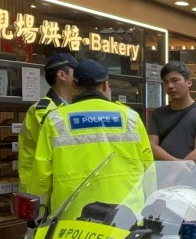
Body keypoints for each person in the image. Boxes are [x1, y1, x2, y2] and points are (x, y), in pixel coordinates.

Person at [30, 59, 153, 214]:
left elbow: (42, 175)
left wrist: (38, 214)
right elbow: (148, 168)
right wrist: (150, 208)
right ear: (106, 85)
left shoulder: (55, 119)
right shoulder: (130, 117)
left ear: (74, 86)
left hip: (72, 217)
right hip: (126, 216)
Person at [148, 61, 196, 196]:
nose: (170, 86)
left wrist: (173, 175)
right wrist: (176, 164)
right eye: (166, 82)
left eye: (175, 80)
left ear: (189, 82)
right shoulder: (157, 114)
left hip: (193, 184)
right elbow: (152, 145)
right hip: (162, 182)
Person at [18, 53, 77, 194]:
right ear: (62, 75)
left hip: (63, 188)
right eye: (76, 72)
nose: (79, 77)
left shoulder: (72, 108)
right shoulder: (43, 112)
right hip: (46, 191)